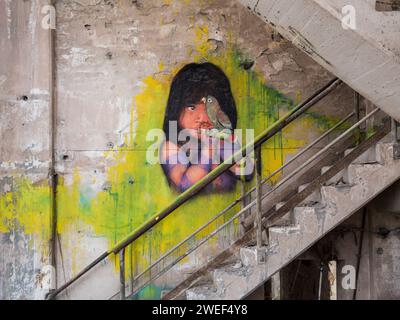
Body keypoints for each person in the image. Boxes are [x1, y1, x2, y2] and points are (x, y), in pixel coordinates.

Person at [160, 62, 253, 193]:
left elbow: (246, 171)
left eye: (210, 108)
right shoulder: (172, 146)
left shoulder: (221, 142)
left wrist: (222, 146)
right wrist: (208, 148)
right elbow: (184, 184)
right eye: (192, 107)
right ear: (176, 109)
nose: (203, 118)